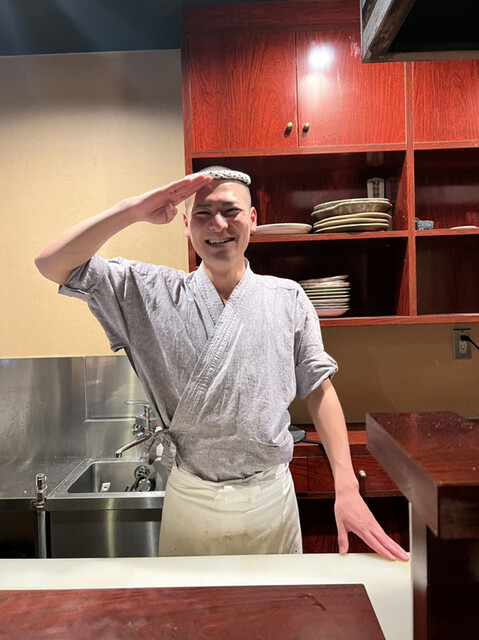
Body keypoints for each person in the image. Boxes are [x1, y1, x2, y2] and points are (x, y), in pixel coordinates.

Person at [35, 167, 408, 561]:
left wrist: (347, 487)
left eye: (231, 211)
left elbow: (319, 388)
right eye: (203, 213)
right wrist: (132, 210)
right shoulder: (150, 294)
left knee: (278, 601)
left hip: (271, 500)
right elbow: (52, 263)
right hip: (192, 500)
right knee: (192, 603)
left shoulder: (288, 298)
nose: (218, 224)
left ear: (253, 219)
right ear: (185, 225)